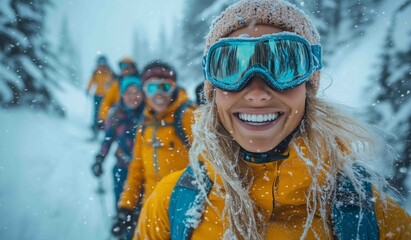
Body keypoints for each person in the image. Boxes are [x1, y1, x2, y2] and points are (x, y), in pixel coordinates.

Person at [135, 0, 411, 239]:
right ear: (213, 90)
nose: (256, 93)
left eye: (283, 65)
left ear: (308, 87)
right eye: (232, 66)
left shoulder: (375, 220)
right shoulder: (172, 202)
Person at [110, 60, 196, 239]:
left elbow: (211, 162)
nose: (158, 94)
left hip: (184, 211)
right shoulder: (145, 124)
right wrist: (125, 207)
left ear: (173, 87)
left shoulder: (188, 117)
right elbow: (136, 169)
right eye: (151, 88)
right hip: (150, 210)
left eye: (164, 86)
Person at [91, 76, 145, 210]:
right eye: (128, 93)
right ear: (122, 95)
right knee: (122, 206)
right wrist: (99, 159)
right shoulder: (116, 115)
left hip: (144, 171)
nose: (133, 97)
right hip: (122, 167)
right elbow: (107, 140)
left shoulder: (149, 114)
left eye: (136, 92)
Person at [98, 57, 139, 129]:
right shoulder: (117, 84)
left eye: (128, 67)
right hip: (120, 114)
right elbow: (107, 101)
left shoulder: (141, 81)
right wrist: (102, 118)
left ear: (134, 68)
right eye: (123, 68)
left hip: (138, 114)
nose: (126, 70)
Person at [86, 55, 115, 139]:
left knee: (104, 113)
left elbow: (114, 84)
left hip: (106, 96)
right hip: (97, 95)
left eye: (103, 62)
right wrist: (88, 89)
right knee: (96, 112)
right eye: (100, 62)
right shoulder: (96, 72)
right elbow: (91, 81)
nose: (102, 64)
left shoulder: (110, 72)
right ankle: (95, 129)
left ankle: (104, 129)